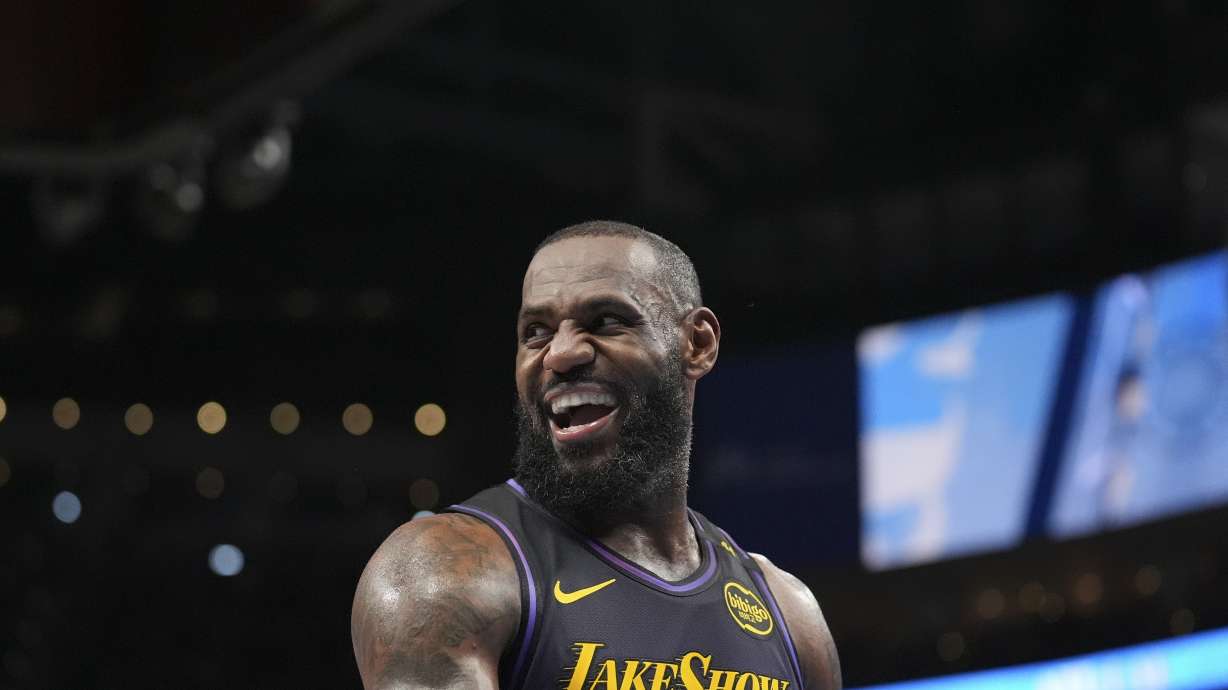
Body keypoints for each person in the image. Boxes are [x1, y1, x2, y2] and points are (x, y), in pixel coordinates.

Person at [351, 221, 841, 690]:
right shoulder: (444, 573)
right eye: (536, 332)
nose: (560, 354)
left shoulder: (789, 614)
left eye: (605, 321)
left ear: (698, 343)